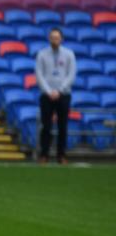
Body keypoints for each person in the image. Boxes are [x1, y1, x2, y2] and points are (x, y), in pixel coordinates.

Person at [35, 28, 76, 165]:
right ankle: (44, 155)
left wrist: (60, 90)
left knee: (62, 126)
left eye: (57, 37)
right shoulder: (42, 54)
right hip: (46, 95)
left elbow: (71, 74)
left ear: (61, 39)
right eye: (52, 37)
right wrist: (48, 91)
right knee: (46, 126)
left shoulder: (69, 54)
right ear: (49, 38)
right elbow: (39, 74)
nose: (54, 40)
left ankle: (61, 155)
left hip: (63, 95)